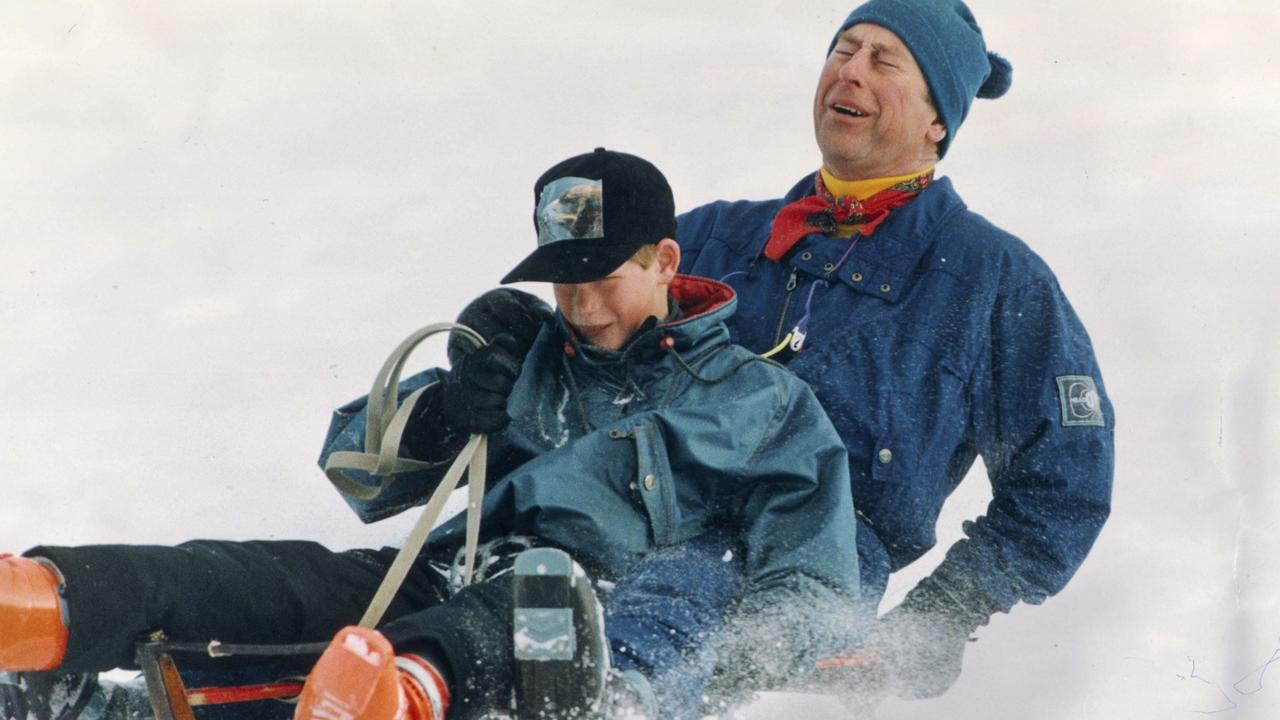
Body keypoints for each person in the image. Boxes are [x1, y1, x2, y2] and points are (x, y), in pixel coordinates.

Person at [0, 149, 862, 720]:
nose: (582, 306)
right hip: (450, 574)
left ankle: (401, 696)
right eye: (563, 283)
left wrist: (707, 676)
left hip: (592, 622)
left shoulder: (762, 407)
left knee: (527, 604)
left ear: (666, 262)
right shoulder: (533, 354)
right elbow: (354, 470)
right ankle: (49, 608)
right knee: (279, 583)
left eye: (602, 279)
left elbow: (813, 591)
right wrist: (452, 405)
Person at [456, 0, 1114, 703]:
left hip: (802, 564)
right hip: (623, 517)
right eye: (842, 50)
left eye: (883, 60)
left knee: (672, 598)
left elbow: (1064, 484)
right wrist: (497, 339)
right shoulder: (715, 238)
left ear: (938, 119)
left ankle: (605, 701)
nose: (849, 71)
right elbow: (588, 315)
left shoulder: (994, 282)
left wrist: (950, 609)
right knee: (481, 593)